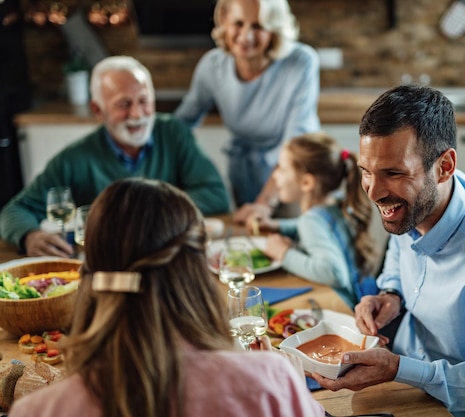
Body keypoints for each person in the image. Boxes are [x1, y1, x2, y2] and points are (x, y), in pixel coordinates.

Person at [311, 85, 465, 417]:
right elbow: (398, 251)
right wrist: (391, 293)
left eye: (393, 173)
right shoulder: (415, 202)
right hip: (398, 383)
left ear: (445, 167)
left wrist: (398, 369)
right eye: (367, 172)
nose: (375, 192)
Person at [8, 178, 325, 417]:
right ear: (197, 273)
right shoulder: (270, 383)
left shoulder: (38, 410)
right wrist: (297, 393)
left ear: (90, 277)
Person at [0, 55, 230, 258]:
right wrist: (30, 236)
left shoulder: (173, 133)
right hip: (110, 268)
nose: (137, 114)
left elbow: (215, 195)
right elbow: (14, 211)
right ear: (98, 110)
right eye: (124, 104)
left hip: (171, 261)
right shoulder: (74, 159)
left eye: (143, 101)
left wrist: (148, 216)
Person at [174, 0, 321, 219]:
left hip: (297, 173)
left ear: (274, 29)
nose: (246, 36)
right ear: (224, 19)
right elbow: (180, 126)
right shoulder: (212, 66)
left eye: (258, 26)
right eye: (238, 23)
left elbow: (295, 142)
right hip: (243, 171)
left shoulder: (301, 62)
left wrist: (265, 202)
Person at [247, 132, 378, 308]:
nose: (275, 175)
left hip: (341, 307)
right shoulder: (337, 206)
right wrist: (278, 226)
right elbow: (320, 230)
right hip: (361, 301)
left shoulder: (310, 221)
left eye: (282, 169)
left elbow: (333, 273)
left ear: (307, 183)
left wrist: (284, 254)